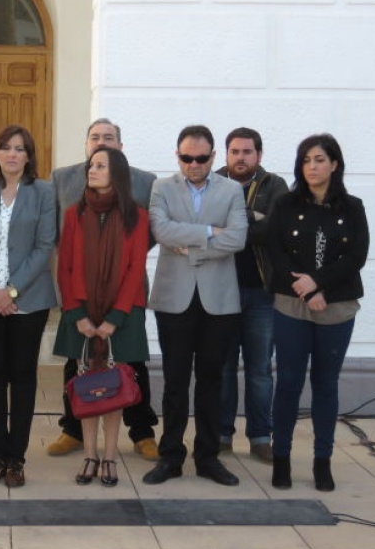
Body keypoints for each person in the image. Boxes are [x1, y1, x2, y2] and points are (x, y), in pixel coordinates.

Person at [48, 118, 161, 462]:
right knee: (78, 365)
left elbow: (144, 242)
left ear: (120, 147)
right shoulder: (63, 180)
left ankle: (141, 432)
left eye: (109, 138)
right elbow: (60, 242)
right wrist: (76, 307)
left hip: (123, 295)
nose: (102, 142)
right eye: (95, 138)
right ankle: (73, 429)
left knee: (131, 367)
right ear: (86, 145)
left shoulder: (144, 183)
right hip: (81, 295)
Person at [142, 124, 248, 488]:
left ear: (213, 157)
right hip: (175, 299)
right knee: (174, 381)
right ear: (178, 156)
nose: (194, 164)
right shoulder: (161, 187)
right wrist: (208, 233)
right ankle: (170, 456)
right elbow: (161, 231)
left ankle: (208, 458)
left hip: (218, 301)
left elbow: (237, 238)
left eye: (201, 158)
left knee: (212, 381)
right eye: (187, 158)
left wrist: (187, 245)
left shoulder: (232, 189)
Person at [265, 133, 369, 492]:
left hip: (336, 306)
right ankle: (281, 459)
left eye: (320, 159)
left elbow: (356, 257)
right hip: (291, 304)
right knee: (289, 382)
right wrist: (305, 289)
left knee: (326, 384)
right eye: (307, 160)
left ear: (334, 164)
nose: (313, 166)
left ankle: (322, 460)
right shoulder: (285, 204)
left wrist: (319, 285)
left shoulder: (352, 207)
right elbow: (275, 251)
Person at [0, 125, 57, 488]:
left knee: (22, 376)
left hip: (29, 301)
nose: (12, 154)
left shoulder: (44, 192)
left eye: (19, 148)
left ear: (29, 155)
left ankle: (16, 459)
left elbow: (44, 245)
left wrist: (11, 292)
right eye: (6, 148)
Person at [213, 127, 289, 463]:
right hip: (221, 291)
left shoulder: (275, 186)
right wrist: (253, 219)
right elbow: (207, 226)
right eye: (235, 151)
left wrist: (237, 223)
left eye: (247, 152)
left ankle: (260, 437)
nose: (240, 158)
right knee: (223, 368)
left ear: (259, 155)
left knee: (259, 370)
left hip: (262, 293)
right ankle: (221, 436)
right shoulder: (212, 182)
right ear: (226, 154)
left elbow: (278, 230)